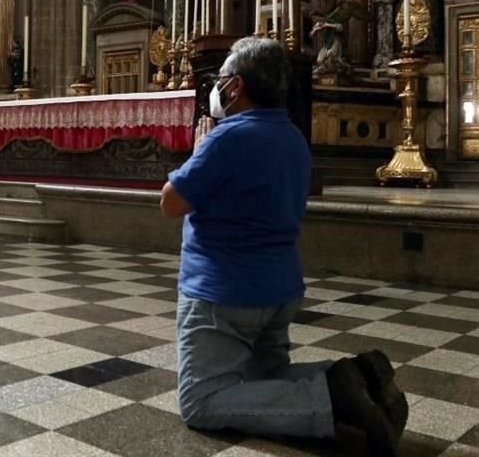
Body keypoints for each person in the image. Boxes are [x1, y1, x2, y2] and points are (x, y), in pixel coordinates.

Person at [160, 38, 407, 456]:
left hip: (224, 293)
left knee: (201, 402)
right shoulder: (293, 137)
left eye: (220, 80)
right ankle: (351, 376)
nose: (216, 90)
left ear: (236, 87)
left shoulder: (226, 138)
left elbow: (171, 202)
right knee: (266, 378)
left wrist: (199, 150)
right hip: (280, 287)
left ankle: (330, 399)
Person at [310, 10, 349, 77]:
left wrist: (327, 25)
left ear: (318, 16)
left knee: (330, 55)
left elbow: (340, 27)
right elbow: (311, 34)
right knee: (319, 60)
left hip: (335, 41)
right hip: (326, 43)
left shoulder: (330, 19)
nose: (314, 20)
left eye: (314, 18)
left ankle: (344, 68)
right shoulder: (318, 24)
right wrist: (315, 30)